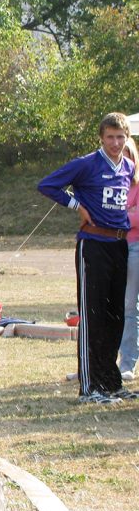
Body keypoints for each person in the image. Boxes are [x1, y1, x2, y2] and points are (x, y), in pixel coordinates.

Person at [39, 112, 139, 404]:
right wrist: (77, 205)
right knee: (93, 316)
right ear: (101, 137)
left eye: (121, 137)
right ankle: (90, 387)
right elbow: (47, 185)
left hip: (119, 245)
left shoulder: (128, 167)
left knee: (115, 316)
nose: (116, 142)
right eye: (110, 137)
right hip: (93, 244)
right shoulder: (87, 164)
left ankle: (110, 382)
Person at [120, 137, 139, 382]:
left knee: (129, 308)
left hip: (134, 247)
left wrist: (116, 214)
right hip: (111, 248)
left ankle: (128, 362)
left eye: (127, 155)